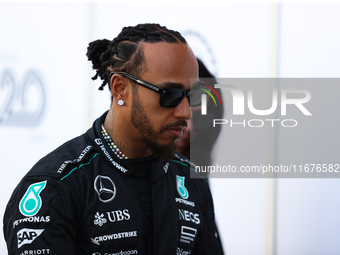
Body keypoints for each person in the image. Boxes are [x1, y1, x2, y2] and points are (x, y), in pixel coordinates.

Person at [3, 24, 223, 255]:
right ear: (120, 89)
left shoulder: (191, 180)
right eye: (171, 95)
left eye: (192, 95)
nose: (185, 112)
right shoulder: (55, 188)